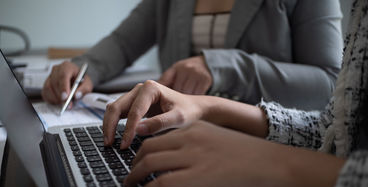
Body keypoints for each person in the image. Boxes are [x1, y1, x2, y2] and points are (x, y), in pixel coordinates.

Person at [102, 0, 368, 187]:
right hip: (195, 139)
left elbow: (331, 89)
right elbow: (335, 130)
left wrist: (271, 160)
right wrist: (208, 108)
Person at [42, 0, 343, 111]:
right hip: (177, 135)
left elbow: (329, 85)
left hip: (265, 145)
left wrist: (225, 67)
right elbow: (123, 43)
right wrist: (83, 68)